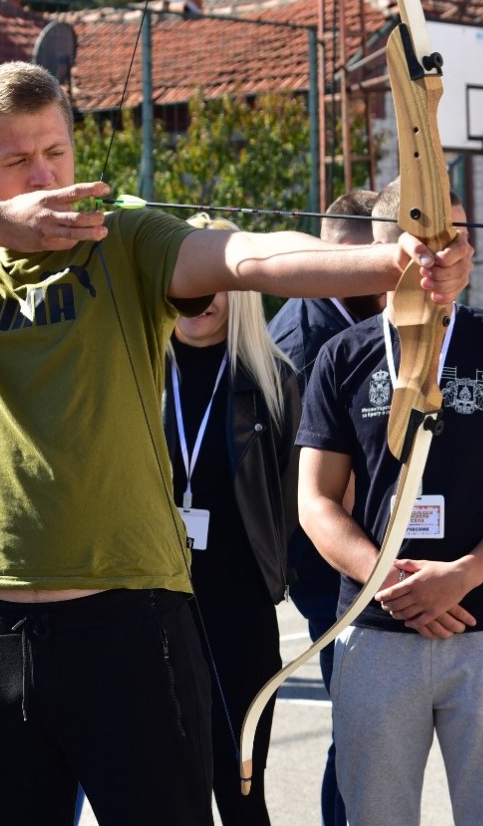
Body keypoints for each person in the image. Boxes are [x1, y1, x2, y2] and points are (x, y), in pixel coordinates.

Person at [0, 61, 471, 826]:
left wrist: (391, 262)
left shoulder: (129, 239)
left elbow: (246, 258)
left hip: (129, 626)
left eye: (56, 151)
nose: (45, 175)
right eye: (16, 161)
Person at [296, 180, 483, 826]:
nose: (448, 255)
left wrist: (463, 575)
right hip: (378, 631)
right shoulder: (343, 357)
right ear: (387, 252)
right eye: (430, 239)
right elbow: (316, 501)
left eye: (459, 238)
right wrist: (383, 577)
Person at [162, 214, 300, 826]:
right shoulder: (135, 376)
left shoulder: (276, 382)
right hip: (150, 612)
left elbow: (305, 500)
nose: (201, 296)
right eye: (188, 277)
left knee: (242, 789)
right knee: (167, 792)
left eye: (215, 277)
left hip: (241, 614)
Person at [264, 187, 378, 826]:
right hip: (329, 559)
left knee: (368, 724)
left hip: (348, 552)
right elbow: (319, 474)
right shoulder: (308, 338)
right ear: (341, 253)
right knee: (362, 725)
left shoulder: (340, 319)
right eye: (377, 260)